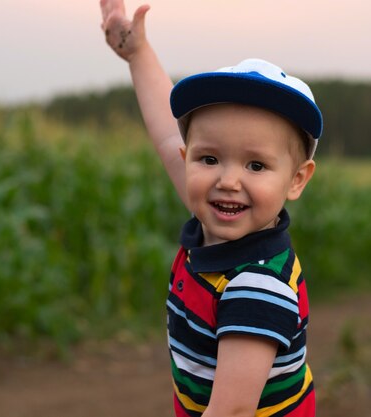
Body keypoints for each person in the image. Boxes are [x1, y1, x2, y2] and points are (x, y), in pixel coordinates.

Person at [100, 1, 323, 416]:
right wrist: (138, 53)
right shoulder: (218, 219)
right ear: (189, 160)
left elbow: (233, 410)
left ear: (296, 179)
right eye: (209, 159)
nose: (228, 180)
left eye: (255, 165)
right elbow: (169, 136)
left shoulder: (257, 284)